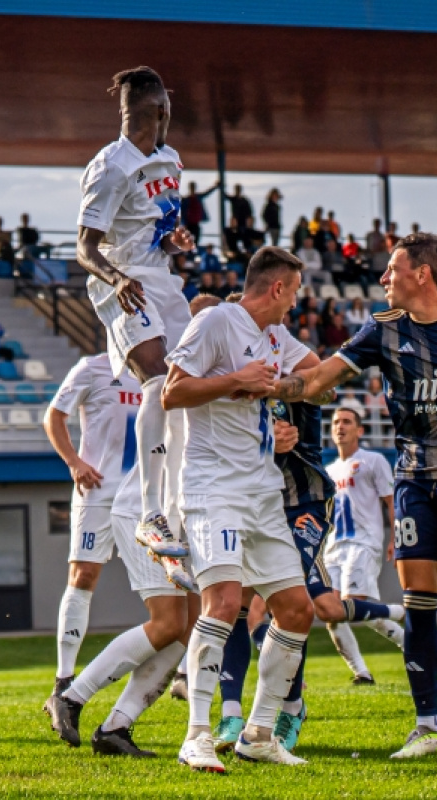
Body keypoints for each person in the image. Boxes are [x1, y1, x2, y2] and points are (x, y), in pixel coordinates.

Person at [271, 232, 437, 759]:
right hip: (415, 481)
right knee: (420, 605)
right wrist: (260, 388)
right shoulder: (382, 332)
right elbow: (319, 379)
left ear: (422, 274)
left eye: (392, 268)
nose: (383, 277)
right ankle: (429, 726)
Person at [164, 246, 316, 770]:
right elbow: (172, 392)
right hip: (213, 488)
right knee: (225, 602)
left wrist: (281, 388)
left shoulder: (275, 337)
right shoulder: (216, 322)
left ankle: (258, 734)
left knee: (298, 610)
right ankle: (197, 735)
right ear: (277, 288)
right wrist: (239, 381)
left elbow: (315, 377)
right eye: (293, 293)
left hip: (261, 490)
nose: (294, 305)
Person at [76, 66, 194, 563]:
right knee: (156, 383)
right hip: (121, 282)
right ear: (161, 111)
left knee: (189, 385)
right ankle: (150, 513)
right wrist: (119, 280)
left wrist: (174, 240)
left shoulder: (169, 160)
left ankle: (178, 507)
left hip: (161, 276)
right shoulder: (109, 168)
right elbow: (84, 248)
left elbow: (158, 225)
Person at [44, 455, 195, 757]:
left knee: (190, 625)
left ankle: (115, 728)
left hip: (188, 512)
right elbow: (163, 410)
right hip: (148, 514)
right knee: (168, 622)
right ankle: (70, 697)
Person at [43, 354, 147, 700]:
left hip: (146, 496)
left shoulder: (159, 368)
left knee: (171, 582)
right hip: (99, 490)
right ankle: (64, 677)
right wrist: (74, 462)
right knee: (84, 575)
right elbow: (54, 416)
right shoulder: (92, 367)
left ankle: (182, 672)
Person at [323, 407, 403, 683]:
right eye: (335, 422)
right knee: (330, 612)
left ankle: (412, 646)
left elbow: (390, 502)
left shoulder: (373, 461)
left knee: (355, 605)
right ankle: (361, 673)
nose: (340, 426)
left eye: (346, 421)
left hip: (363, 543)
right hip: (334, 547)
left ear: (360, 430)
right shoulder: (329, 471)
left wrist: (395, 537)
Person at [181, 180, 219, 246]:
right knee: (187, 241)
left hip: (196, 224)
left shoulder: (197, 197)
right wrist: (184, 223)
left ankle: (193, 252)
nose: (192, 189)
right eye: (191, 188)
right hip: (189, 224)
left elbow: (207, 192)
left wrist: (215, 186)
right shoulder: (186, 199)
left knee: (195, 242)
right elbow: (183, 213)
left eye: (193, 188)